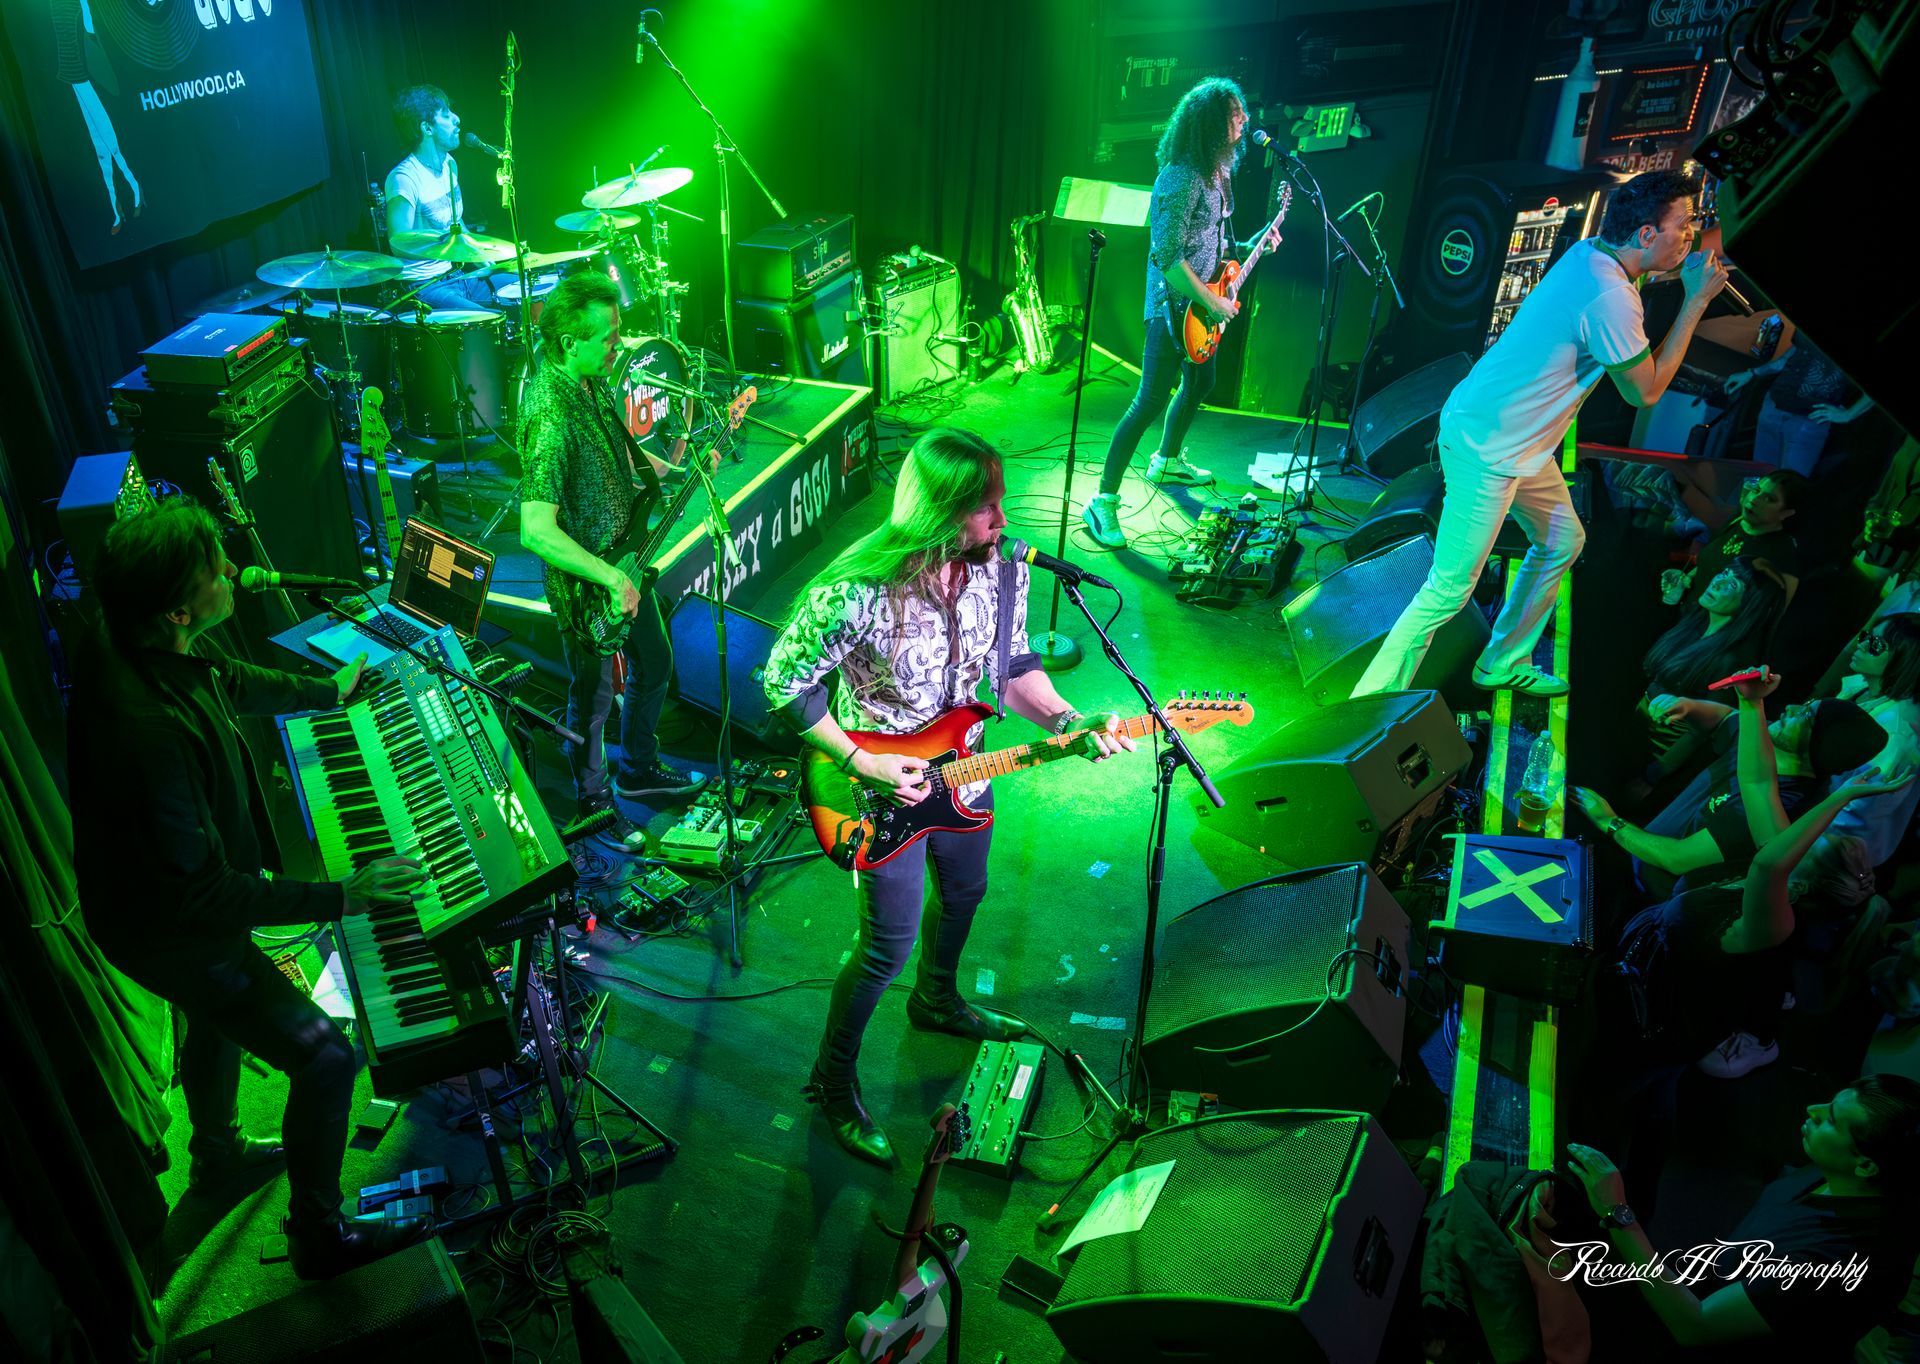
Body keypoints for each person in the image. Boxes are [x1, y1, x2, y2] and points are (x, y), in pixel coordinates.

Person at [67, 500, 433, 1279]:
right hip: (168, 929)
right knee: (328, 1060)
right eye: (214, 570)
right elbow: (205, 897)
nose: (232, 572)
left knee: (216, 1019)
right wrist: (342, 896)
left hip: (146, 907)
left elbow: (225, 677)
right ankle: (319, 1236)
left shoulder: (135, 639)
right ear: (175, 608)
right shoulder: (148, 730)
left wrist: (325, 692)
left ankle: (220, 1155)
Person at [764, 428, 1136, 1164]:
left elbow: (1014, 667)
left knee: (966, 894)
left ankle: (937, 1000)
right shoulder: (858, 589)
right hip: (878, 788)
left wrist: (1068, 721)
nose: (1003, 519)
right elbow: (782, 682)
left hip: (963, 770)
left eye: (999, 502)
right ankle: (831, 1078)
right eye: (986, 507)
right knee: (884, 947)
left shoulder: (1004, 574)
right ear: (939, 512)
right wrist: (861, 760)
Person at [1352, 169, 1729, 699]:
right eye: (1685, 225)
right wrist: (1696, 302)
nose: (1691, 236)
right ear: (1646, 234)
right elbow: (1643, 393)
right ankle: (1365, 706)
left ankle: (1502, 660)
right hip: (1489, 448)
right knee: (1450, 589)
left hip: (1514, 441)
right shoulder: (1612, 298)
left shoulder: (1593, 253)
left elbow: (1629, 291)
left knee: (1562, 540)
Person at [518, 271, 707, 815]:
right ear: (568, 342)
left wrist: (673, 468)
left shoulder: (591, 383)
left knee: (654, 660)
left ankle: (639, 770)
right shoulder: (550, 416)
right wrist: (607, 577)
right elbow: (535, 530)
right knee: (594, 694)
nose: (618, 344)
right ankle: (592, 793)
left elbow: (620, 457)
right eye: (607, 337)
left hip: (627, 560)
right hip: (588, 587)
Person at [1566, 1073, 1920, 1353]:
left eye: (1830, 1119)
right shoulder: (1840, 1176)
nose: (1813, 1108)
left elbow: (1695, 1326)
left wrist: (1616, 1210)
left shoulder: (1834, 1263)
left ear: (1866, 1166)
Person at [1081, 77, 1282, 549]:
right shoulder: (1181, 176)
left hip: (1203, 308)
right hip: (1172, 309)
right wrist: (1212, 301)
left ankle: (1166, 460)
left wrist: (1256, 247)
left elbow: (1217, 243)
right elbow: (1167, 257)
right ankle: (1103, 499)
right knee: (1149, 399)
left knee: (1202, 382)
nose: (1244, 122)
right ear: (1212, 122)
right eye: (1236, 115)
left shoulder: (1219, 173)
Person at [384, 84, 501, 313]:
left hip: (456, 275)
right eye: (446, 115)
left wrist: (478, 256)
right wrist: (446, 246)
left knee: (523, 288)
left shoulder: (449, 163)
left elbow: (455, 225)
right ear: (427, 128)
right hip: (424, 286)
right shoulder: (404, 178)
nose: (456, 119)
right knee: (486, 320)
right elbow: (398, 242)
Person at [1725, 329, 1873, 476]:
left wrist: (1848, 415)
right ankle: (1745, 500)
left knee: (1786, 483)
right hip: (1773, 405)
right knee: (1758, 473)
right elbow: (1790, 355)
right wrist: (1753, 373)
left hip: (1808, 419)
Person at [1664, 471, 1803, 610]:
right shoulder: (1737, 519)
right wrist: (1687, 578)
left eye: (1769, 499)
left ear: (1786, 513)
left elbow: (1768, 615)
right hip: (1688, 615)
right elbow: (1710, 559)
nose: (1754, 499)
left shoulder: (1781, 555)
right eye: (1757, 490)